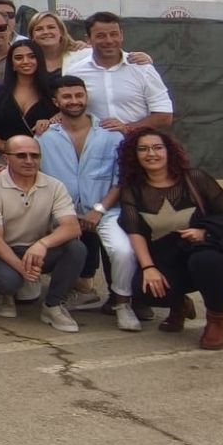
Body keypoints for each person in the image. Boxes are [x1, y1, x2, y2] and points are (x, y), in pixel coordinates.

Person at [117, 128, 223, 350]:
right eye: (142, 149)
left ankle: (216, 318)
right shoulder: (132, 190)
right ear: (134, 156)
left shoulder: (195, 178)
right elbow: (135, 231)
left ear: (169, 151)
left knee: (206, 262)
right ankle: (179, 304)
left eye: (157, 147)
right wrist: (149, 267)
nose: (150, 154)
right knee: (142, 288)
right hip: (166, 257)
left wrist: (205, 232)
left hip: (206, 250)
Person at [38, 76, 142, 331]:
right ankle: (57, 301)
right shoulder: (44, 137)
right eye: (67, 97)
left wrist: (99, 210)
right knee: (66, 250)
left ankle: (122, 304)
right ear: (56, 101)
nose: (74, 101)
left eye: (78, 95)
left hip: (105, 210)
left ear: (86, 97)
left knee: (122, 250)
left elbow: (120, 181)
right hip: (61, 213)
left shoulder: (111, 134)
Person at [0, 134, 88, 330]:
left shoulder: (54, 185)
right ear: (6, 157)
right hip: (5, 250)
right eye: (21, 155)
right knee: (9, 281)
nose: (29, 161)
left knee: (76, 249)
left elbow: (72, 227)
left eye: (34, 156)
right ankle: (5, 293)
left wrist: (42, 244)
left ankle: (53, 306)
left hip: (37, 250)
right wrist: (23, 270)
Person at [65, 12, 174, 135]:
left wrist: (127, 129)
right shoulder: (74, 73)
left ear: (121, 35)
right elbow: (66, 112)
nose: (109, 40)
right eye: (101, 36)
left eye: (114, 34)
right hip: (94, 149)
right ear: (88, 39)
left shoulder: (143, 69)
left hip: (135, 148)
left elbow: (164, 116)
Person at [0, 39, 58, 159]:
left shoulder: (52, 89)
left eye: (32, 56)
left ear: (39, 60)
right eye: (19, 58)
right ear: (12, 64)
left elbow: (70, 111)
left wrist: (51, 121)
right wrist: (12, 151)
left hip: (48, 157)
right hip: (9, 160)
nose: (26, 61)